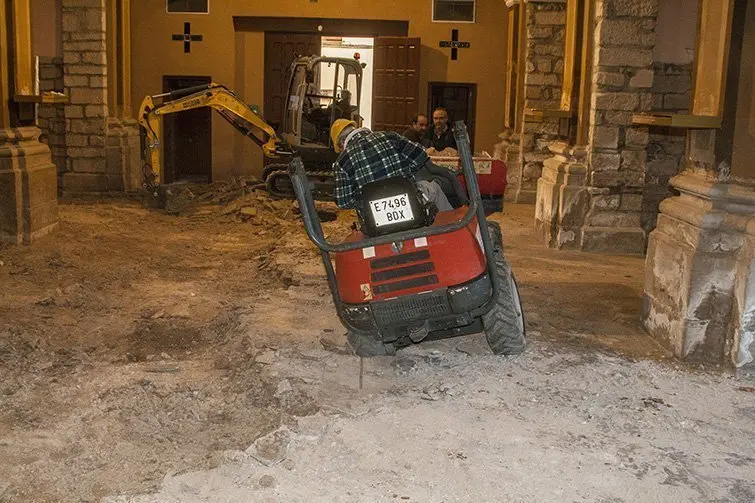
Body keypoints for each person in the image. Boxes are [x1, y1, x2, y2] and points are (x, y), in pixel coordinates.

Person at [330, 119, 452, 212]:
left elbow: (343, 202)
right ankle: (453, 228)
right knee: (433, 188)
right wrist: (407, 170)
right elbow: (421, 156)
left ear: (341, 143)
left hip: (373, 218)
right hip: (411, 204)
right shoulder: (390, 136)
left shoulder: (341, 163)